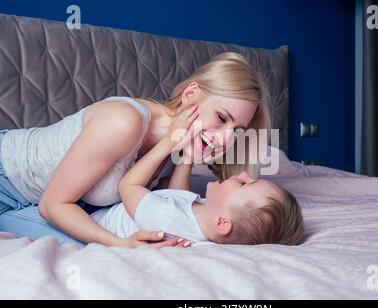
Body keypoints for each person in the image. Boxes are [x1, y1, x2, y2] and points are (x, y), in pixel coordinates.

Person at [0, 52, 271, 248]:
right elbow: (53, 205)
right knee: (90, 245)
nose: (225, 141)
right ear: (190, 95)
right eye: (222, 119)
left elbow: (173, 203)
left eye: (236, 131)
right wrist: (120, 244)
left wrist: (187, 156)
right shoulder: (125, 122)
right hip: (8, 181)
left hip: (42, 201)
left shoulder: (181, 137)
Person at [91, 105, 304, 246]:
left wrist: (168, 145)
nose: (245, 174)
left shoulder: (165, 219)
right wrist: (188, 157)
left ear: (222, 222)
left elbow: (128, 186)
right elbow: (177, 195)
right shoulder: (205, 218)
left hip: (92, 226)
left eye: (245, 185)